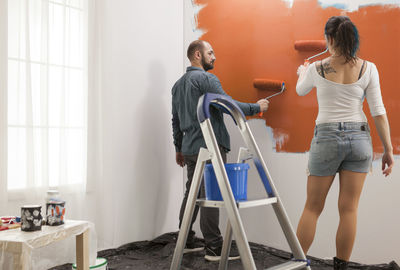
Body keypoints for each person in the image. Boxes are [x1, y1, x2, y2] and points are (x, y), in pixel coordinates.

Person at [295, 16, 394, 270]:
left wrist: (302, 72)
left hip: (326, 136)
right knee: (348, 210)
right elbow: (378, 112)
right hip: (360, 139)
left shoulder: (317, 68)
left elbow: (300, 90)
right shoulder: (368, 68)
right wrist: (388, 150)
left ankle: (294, 265)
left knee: (312, 207)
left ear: (329, 39)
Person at [171, 40, 269, 261]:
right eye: (210, 53)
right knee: (210, 196)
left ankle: (185, 240)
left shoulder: (177, 85)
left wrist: (178, 148)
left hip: (189, 148)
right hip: (210, 145)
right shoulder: (206, 79)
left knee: (193, 192)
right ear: (198, 55)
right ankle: (214, 247)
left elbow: (175, 120)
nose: (214, 57)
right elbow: (228, 105)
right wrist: (257, 108)